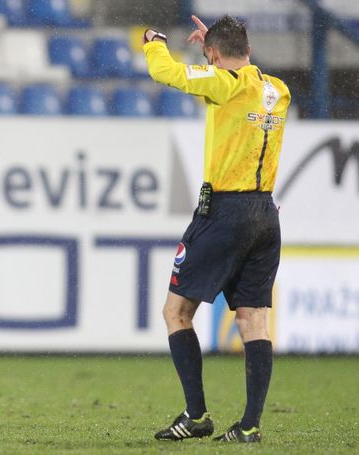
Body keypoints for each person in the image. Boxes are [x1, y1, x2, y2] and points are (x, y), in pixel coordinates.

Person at [142, 15, 291, 443]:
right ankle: (249, 425)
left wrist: (154, 41)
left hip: (225, 212)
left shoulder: (223, 83)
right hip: (266, 214)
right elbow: (244, 72)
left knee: (176, 312)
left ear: (211, 55)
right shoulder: (277, 90)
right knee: (254, 321)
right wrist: (218, 49)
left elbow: (165, 71)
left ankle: (196, 414)